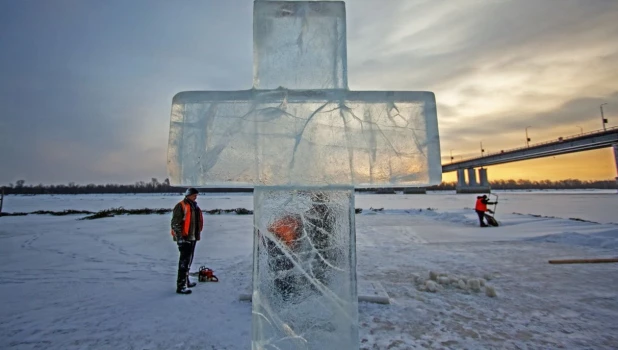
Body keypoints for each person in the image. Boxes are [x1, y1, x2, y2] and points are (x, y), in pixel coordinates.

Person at [171, 187, 203, 294]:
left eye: (196, 195)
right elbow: (175, 223)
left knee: (189, 261)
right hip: (184, 239)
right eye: (194, 195)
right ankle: (181, 286)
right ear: (188, 195)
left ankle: (186, 281)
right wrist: (180, 238)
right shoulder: (181, 206)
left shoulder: (194, 207)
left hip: (192, 237)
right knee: (184, 262)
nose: (196, 197)